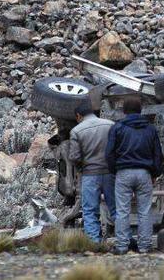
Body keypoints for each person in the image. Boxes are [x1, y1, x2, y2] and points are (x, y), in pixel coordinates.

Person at [106, 96, 163, 254]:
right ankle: (144, 246)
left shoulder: (117, 128)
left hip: (123, 173)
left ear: (124, 111)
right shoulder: (150, 128)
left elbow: (109, 153)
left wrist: (114, 170)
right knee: (144, 211)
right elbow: (158, 154)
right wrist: (155, 173)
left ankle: (122, 246)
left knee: (122, 211)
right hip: (144, 173)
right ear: (140, 110)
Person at [68, 99, 116, 243]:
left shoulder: (77, 130)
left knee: (90, 212)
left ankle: (95, 244)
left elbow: (74, 157)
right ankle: (123, 241)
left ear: (78, 116)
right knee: (116, 209)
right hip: (110, 174)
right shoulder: (111, 125)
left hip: (89, 175)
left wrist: (81, 168)